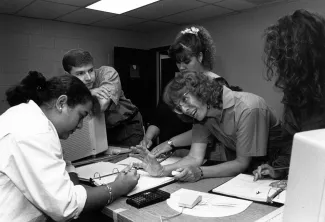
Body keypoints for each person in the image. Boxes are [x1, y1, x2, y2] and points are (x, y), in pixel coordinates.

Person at [0, 71, 139, 222]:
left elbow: (62, 167)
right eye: (81, 115)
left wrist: (70, 176)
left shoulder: (30, 118)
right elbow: (65, 206)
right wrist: (118, 187)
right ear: (61, 103)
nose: (80, 126)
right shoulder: (34, 131)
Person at [130, 71, 281, 182]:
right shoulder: (202, 114)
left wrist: (200, 172)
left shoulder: (248, 107)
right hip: (253, 171)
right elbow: (195, 157)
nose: (184, 109)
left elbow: (241, 163)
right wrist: (161, 170)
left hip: (280, 167)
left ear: (201, 91)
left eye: (185, 98)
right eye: (178, 107)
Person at [143, 25, 242, 159]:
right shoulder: (175, 86)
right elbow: (159, 117)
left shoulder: (216, 84)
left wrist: (171, 143)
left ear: (200, 57)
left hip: (199, 154)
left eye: (187, 61)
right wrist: (148, 138)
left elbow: (211, 130)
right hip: (169, 152)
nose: (182, 67)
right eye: (178, 62)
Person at [253, 9, 325, 180]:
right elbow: (292, 142)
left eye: (287, 59)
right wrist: (278, 169)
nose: (281, 66)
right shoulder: (296, 92)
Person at [62, 49, 144, 147]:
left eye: (91, 70)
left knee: (130, 159)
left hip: (126, 126)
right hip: (101, 129)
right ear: (68, 75)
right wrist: (90, 93)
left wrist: (81, 95)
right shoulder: (67, 85)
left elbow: (101, 105)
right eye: (80, 73)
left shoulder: (107, 73)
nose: (88, 78)